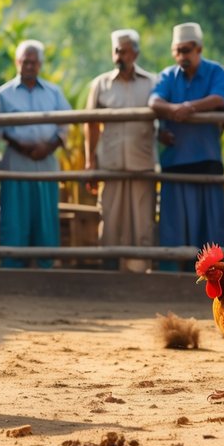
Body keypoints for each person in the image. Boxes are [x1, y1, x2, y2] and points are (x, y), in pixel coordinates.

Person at [150, 22, 224, 266]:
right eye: (177, 51)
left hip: (206, 159)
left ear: (199, 49)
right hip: (176, 161)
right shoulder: (168, 75)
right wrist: (175, 109)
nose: (182, 56)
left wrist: (189, 107)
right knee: (174, 228)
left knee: (210, 227)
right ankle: (173, 275)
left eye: (186, 50)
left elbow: (219, 98)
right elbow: (154, 102)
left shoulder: (216, 71)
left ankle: (214, 275)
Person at [84, 29, 157, 272]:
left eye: (124, 52)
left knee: (142, 222)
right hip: (110, 164)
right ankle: (110, 274)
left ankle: (140, 274)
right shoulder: (100, 84)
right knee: (110, 219)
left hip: (141, 163)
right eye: (116, 51)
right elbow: (91, 124)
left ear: (135, 54)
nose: (119, 56)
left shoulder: (152, 83)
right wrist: (90, 161)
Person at [0, 40, 70, 269]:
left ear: (40, 64)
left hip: (47, 161)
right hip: (16, 161)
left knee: (46, 216)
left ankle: (46, 267)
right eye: (25, 61)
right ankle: (13, 268)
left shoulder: (54, 92)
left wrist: (49, 147)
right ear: (17, 62)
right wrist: (22, 147)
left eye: (33, 62)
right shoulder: (3, 94)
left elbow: (66, 124)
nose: (29, 66)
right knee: (15, 217)